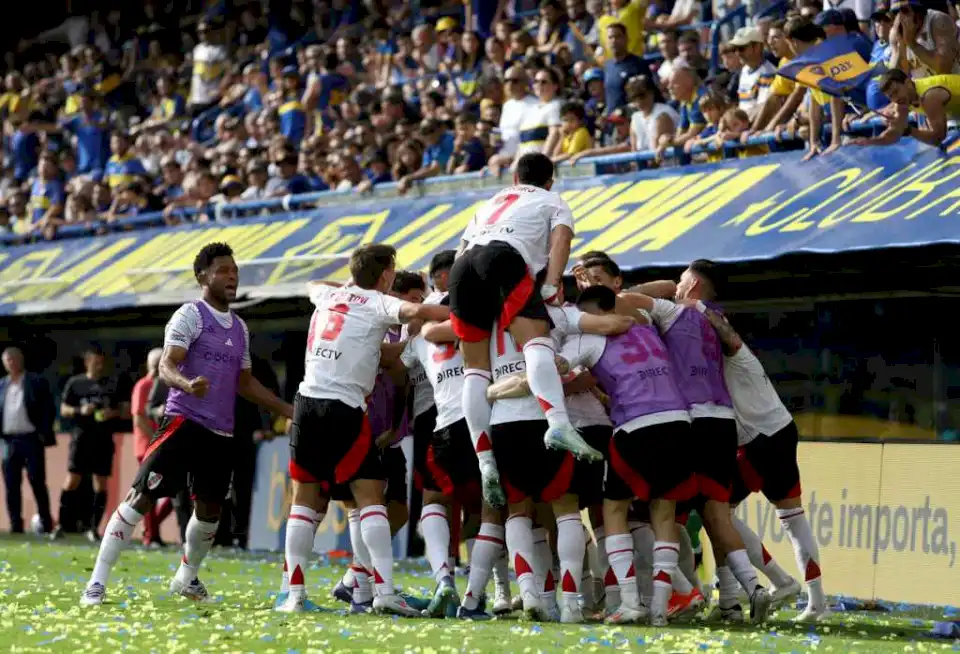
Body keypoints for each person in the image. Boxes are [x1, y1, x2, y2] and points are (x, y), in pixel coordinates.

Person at [79, 242, 294, 606]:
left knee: (210, 513)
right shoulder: (189, 315)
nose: (232, 277)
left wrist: (287, 410)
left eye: (234, 271)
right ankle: (96, 584)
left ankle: (186, 578)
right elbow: (167, 364)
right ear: (203, 277)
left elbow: (245, 383)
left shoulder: (240, 327)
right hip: (184, 422)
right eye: (223, 271)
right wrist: (186, 384)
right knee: (140, 498)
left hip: (221, 432)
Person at [278, 244, 449, 615]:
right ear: (387, 274)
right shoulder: (379, 304)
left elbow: (311, 282)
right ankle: (384, 594)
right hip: (346, 408)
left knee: (304, 503)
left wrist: (350, 284)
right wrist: (465, 313)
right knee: (371, 497)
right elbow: (419, 310)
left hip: (306, 403)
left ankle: (293, 596)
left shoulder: (326, 295)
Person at [617, 260, 774, 622]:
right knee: (717, 513)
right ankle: (746, 593)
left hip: (691, 421)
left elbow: (624, 300)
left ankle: (668, 600)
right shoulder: (717, 320)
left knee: (663, 510)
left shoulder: (674, 311)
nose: (676, 286)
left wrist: (663, 288)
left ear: (692, 286)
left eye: (682, 280)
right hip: (723, 421)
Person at [449, 152, 602, 513]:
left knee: (474, 370)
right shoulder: (553, 200)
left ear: (515, 178)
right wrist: (549, 285)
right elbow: (560, 243)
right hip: (503, 258)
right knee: (537, 342)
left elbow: (461, 249)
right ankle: (558, 423)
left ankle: (484, 458)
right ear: (549, 181)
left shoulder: (490, 202)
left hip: (462, 270)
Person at [556, 285, 702, 625]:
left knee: (614, 509)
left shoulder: (587, 338)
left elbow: (558, 366)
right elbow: (662, 292)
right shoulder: (646, 327)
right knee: (663, 512)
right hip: (680, 422)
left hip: (635, 425)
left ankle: (631, 601)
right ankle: (661, 608)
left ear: (590, 313)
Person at [697, 303, 827, 623]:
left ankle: (780, 581)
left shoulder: (733, 351)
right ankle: (817, 603)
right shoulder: (721, 360)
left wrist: (697, 306)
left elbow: (725, 332)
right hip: (778, 430)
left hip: (761, 440)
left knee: (717, 511)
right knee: (793, 519)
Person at [54, 345, 129, 542]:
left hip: (103, 439)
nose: (99, 367)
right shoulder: (75, 383)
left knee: (100, 482)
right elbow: (64, 409)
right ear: (87, 363)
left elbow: (126, 411)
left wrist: (111, 413)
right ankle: (61, 525)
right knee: (72, 479)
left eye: (101, 363)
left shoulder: (112, 384)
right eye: (95, 363)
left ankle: (94, 528)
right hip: (81, 438)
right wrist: (81, 410)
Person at [0, 347, 54, 534]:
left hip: (31, 439)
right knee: (11, 485)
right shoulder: (2, 385)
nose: (11, 362)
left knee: (37, 481)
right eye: (7, 360)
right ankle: (16, 525)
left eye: (14, 359)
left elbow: (48, 408)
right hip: (8, 441)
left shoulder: (35, 381)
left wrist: (43, 433)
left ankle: (46, 523)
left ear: (21, 360)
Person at [851, 70, 960, 147]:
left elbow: (938, 138)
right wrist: (870, 141)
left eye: (896, 92)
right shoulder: (903, 101)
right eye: (891, 97)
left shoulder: (929, 97)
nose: (896, 99)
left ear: (907, 83)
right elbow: (895, 133)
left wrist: (907, 129)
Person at [130, 348, 172, 546]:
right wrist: (155, 440)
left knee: (174, 491)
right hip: (146, 446)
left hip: (164, 444)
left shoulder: (167, 385)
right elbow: (139, 418)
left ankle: (152, 527)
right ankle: (151, 535)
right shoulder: (143, 385)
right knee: (149, 492)